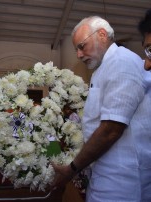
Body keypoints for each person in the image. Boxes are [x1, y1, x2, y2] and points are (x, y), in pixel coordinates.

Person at [51, 16, 151, 201]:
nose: (79, 55)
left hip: (122, 180)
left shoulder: (121, 62)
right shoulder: (105, 66)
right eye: (76, 50)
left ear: (102, 35)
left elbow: (110, 130)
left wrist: (71, 169)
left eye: (82, 46)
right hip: (107, 173)